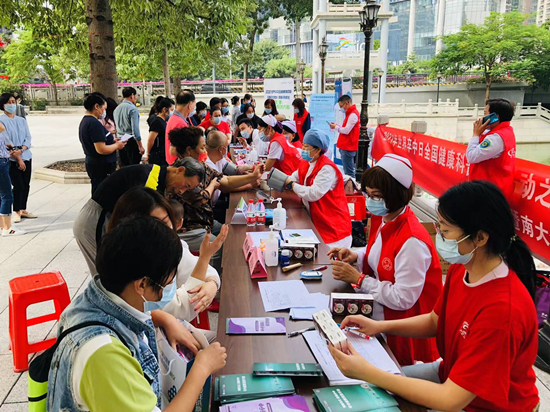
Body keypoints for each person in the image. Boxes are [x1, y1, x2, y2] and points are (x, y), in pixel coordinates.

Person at [329, 181, 539, 412]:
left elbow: (450, 400)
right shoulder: (464, 268)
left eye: (445, 231)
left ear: (480, 238)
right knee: (361, 387)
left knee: (370, 388)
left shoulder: (502, 312)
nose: (439, 236)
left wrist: (368, 372)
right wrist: (379, 326)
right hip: (450, 376)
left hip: (484, 405)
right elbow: (435, 321)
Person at [48, 216, 228, 411]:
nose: (172, 286)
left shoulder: (96, 298)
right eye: (169, 281)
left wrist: (164, 318)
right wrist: (201, 369)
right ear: (142, 284)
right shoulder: (105, 356)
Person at [328, 154, 442, 366]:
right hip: (380, 314)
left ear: (397, 195)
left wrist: (359, 279)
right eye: (368, 194)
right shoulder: (385, 218)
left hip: (401, 325)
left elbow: (403, 298)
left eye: (377, 196)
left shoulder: (412, 241)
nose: (370, 201)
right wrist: (357, 255)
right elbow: (380, 253)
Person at [107, 188, 223, 335]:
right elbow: (181, 307)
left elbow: (202, 271)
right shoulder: (134, 266)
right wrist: (205, 258)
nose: (163, 230)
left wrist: (212, 282)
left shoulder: (167, 246)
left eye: (165, 222)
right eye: (155, 225)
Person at [73, 157, 204, 276]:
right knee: (105, 275)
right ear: (180, 170)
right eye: (186, 185)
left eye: (187, 189)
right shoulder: (149, 180)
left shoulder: (157, 177)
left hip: (108, 221)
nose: (182, 191)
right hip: (96, 221)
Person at [168, 127, 264, 270]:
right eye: (202, 147)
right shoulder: (180, 174)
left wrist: (253, 176)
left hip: (204, 220)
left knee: (230, 233)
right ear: (189, 150)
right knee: (216, 247)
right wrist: (213, 185)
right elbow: (201, 199)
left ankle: (231, 271)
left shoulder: (200, 167)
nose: (205, 151)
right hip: (188, 228)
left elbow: (226, 180)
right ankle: (215, 278)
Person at [284, 129, 352, 248]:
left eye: (306, 147)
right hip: (316, 220)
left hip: (332, 226)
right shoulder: (306, 163)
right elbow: (293, 178)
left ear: (318, 149)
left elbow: (313, 193)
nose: (303, 149)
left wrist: (292, 185)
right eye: (303, 145)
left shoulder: (327, 168)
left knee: (326, 256)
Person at [467, 98, 516, 201]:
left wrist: (475, 134)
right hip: (495, 189)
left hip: (488, 192)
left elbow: (471, 156)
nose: (482, 117)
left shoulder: (496, 138)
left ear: (495, 117)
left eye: (485, 113)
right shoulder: (506, 131)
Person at [79, 93, 126, 196]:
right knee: (102, 193)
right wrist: (117, 146)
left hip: (95, 163)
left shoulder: (87, 121)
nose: (104, 112)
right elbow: (101, 149)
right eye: (104, 109)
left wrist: (112, 141)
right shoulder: (94, 124)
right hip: (101, 165)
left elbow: (98, 141)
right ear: (96, 106)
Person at [0, 93, 37, 223]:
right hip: (11, 158)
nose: (12, 104)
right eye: (8, 102)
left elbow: (28, 137)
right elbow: (6, 141)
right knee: (18, 185)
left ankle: (23, 209)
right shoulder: (1, 121)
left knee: (26, 184)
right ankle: (16, 211)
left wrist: (22, 150)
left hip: (25, 154)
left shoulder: (21, 120)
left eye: (13, 102)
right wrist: (18, 157)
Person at [205, 130, 256, 205]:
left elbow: (235, 170)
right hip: (211, 205)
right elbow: (225, 186)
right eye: (226, 146)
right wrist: (250, 183)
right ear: (222, 150)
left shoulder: (219, 159)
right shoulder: (207, 164)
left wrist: (248, 171)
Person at [0, 122, 26, 236]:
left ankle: (2, 225)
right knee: (7, 195)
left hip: (3, 161)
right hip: (0, 163)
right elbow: (1, 128)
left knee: (2, 195)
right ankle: (7, 228)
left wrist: (6, 146)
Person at [330, 95, 360, 178]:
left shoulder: (353, 115)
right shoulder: (350, 114)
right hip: (346, 146)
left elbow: (346, 130)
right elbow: (346, 128)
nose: (341, 109)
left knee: (349, 172)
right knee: (348, 171)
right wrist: (337, 125)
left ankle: (351, 185)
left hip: (348, 146)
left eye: (341, 106)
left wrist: (336, 127)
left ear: (347, 103)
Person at [113, 87, 144, 166]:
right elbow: (135, 130)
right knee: (134, 167)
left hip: (121, 140)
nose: (136, 98)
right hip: (131, 140)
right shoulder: (133, 109)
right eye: (136, 95)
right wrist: (140, 146)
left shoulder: (117, 109)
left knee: (124, 167)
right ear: (132, 95)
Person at [166, 90, 196, 165]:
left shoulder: (174, 118)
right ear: (190, 105)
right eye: (194, 105)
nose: (194, 108)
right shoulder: (180, 123)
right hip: (179, 164)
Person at [146, 97, 174, 167]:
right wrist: (148, 153)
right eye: (171, 110)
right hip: (158, 155)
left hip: (163, 154)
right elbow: (150, 140)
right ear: (164, 109)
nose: (172, 112)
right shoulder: (157, 121)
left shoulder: (164, 121)